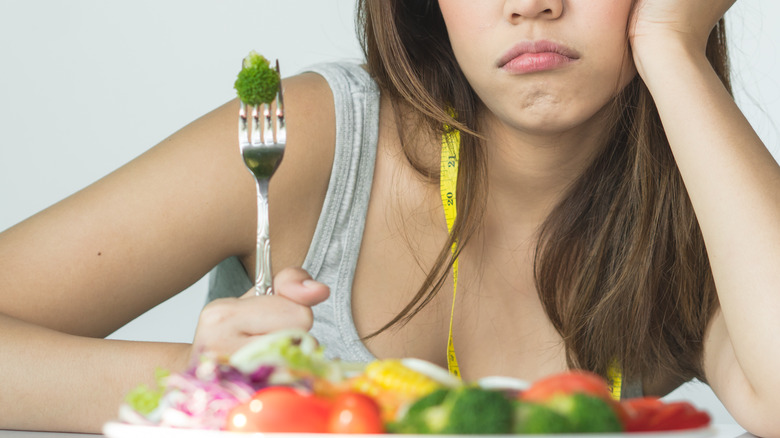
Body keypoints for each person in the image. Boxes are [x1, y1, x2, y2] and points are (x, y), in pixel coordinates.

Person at [1, 0, 778, 435]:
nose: (532, 4)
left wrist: (675, 46)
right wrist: (208, 393)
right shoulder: (314, 135)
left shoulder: (705, 217)